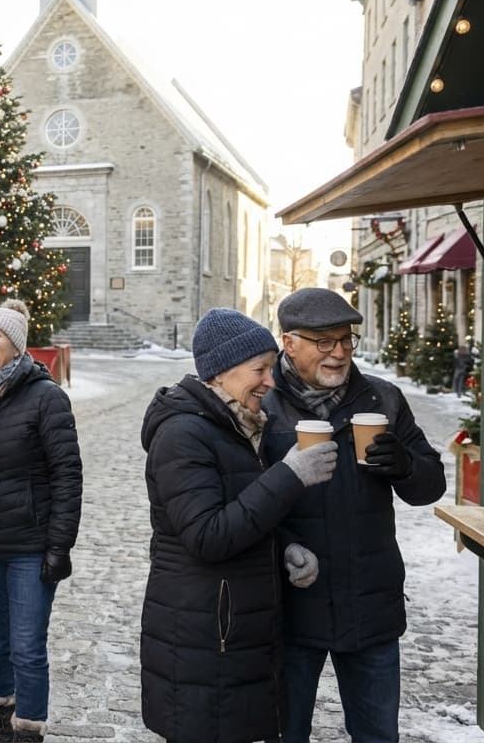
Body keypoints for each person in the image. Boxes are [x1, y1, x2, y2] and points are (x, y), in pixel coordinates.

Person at [139, 307, 339, 743]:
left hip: (232, 633)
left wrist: (284, 547)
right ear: (222, 372)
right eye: (260, 370)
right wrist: (291, 476)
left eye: (270, 368)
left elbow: (243, 508)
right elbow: (208, 535)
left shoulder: (237, 425)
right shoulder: (183, 435)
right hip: (203, 634)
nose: (270, 382)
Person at [260, 288, 446, 743]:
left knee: (378, 734)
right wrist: (285, 548)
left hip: (371, 601)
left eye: (346, 339)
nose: (339, 352)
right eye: (324, 341)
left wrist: (405, 464)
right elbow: (244, 498)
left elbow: (431, 486)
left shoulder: (383, 399)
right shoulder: (262, 404)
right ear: (289, 342)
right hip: (291, 603)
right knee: (284, 732)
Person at [0, 301, 82, 743]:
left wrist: (59, 547)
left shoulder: (46, 396)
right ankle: (2, 717)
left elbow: (68, 475)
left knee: (27, 648)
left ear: (16, 345)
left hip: (30, 547)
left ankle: (29, 731)